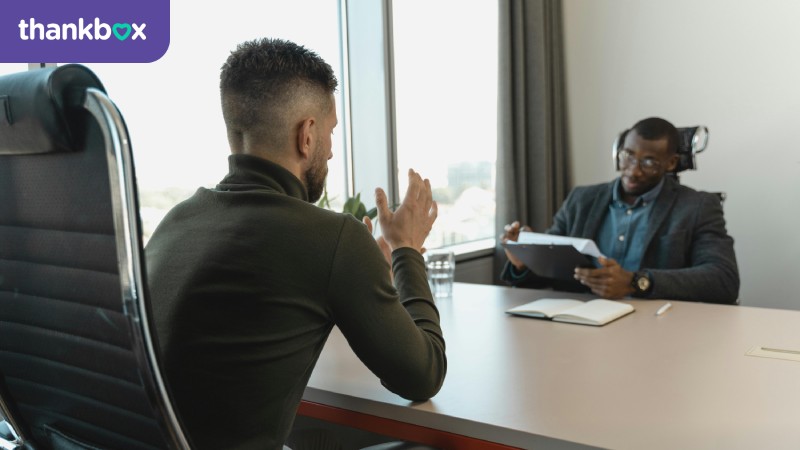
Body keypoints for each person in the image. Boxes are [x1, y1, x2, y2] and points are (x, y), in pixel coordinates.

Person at [145, 38, 446, 450]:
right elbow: (423, 375)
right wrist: (407, 251)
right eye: (330, 132)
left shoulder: (175, 221)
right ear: (307, 135)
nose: (332, 151)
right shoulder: (330, 236)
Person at [500, 117, 739, 304]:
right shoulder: (581, 200)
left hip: (659, 328)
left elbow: (723, 279)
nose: (633, 171)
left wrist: (636, 282)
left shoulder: (697, 206)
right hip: (581, 325)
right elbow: (550, 272)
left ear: (671, 163)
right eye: (628, 156)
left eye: (649, 162)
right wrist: (525, 258)